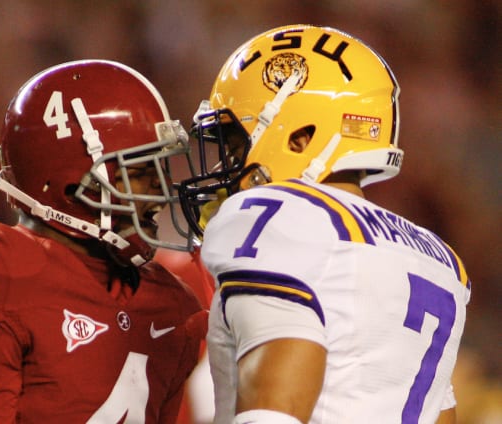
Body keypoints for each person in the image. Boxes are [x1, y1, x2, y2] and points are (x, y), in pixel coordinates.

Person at [176, 25, 471, 424]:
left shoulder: (279, 215)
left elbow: (271, 412)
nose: (222, 167)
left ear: (300, 137)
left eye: (233, 146)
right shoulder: (439, 260)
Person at [0, 59, 207, 423]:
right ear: (70, 186)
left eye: (160, 169)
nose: (161, 188)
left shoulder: (170, 304)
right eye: (139, 171)